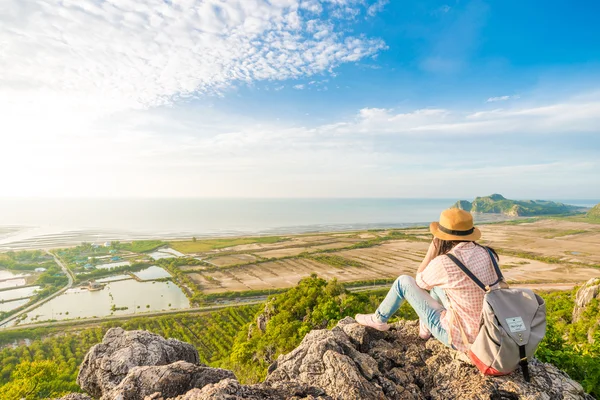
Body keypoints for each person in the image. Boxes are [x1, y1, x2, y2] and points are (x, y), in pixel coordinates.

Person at [355, 208, 501, 352]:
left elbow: (419, 282)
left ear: (443, 236)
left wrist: (432, 251)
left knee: (403, 281)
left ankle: (378, 319)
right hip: (490, 333)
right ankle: (425, 329)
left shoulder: (445, 262)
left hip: (462, 339)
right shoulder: (488, 254)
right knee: (439, 287)